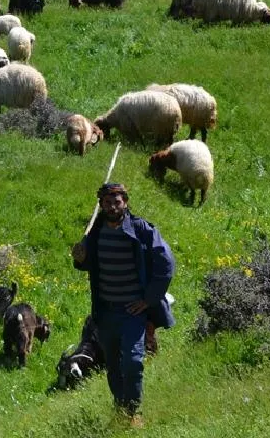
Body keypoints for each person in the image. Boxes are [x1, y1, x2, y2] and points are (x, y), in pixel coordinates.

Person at [70, 182, 175, 426]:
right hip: (106, 311)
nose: (113, 206)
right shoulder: (95, 233)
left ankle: (134, 411)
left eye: (117, 201)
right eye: (107, 202)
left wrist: (148, 300)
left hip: (132, 312)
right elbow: (89, 263)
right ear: (101, 205)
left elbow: (166, 264)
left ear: (125, 202)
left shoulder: (141, 230)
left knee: (133, 361)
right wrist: (80, 258)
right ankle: (122, 410)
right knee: (113, 366)